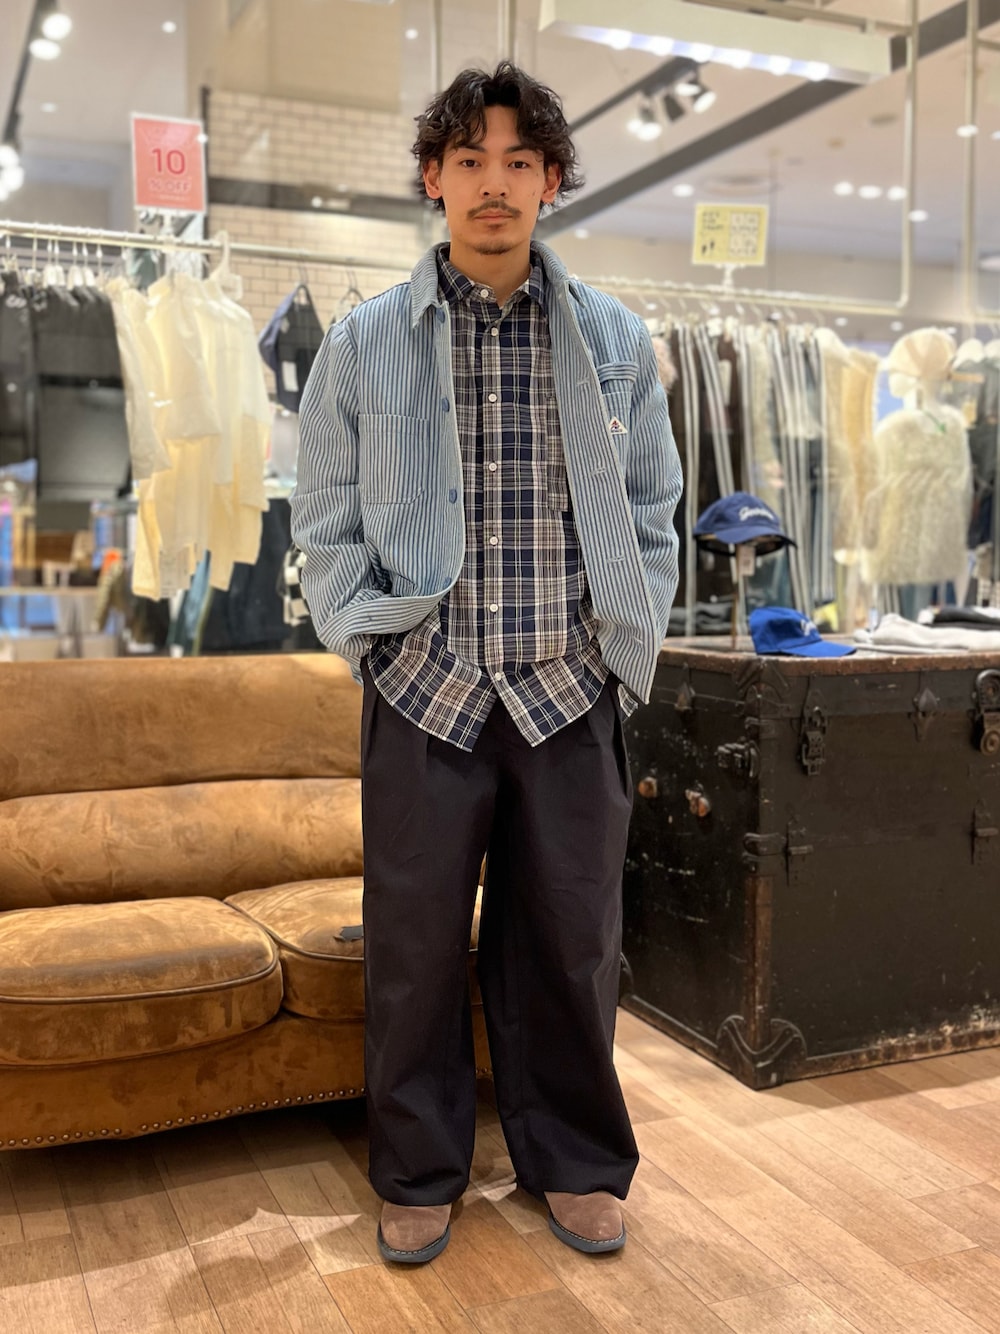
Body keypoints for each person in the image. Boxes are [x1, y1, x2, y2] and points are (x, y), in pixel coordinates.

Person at [291, 60, 683, 1265]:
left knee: (572, 940)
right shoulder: (364, 342)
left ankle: (576, 1160)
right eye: (469, 160)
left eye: (519, 160)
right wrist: (368, 641)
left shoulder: (614, 340)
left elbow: (653, 509)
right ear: (434, 177)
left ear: (551, 179)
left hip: (569, 686)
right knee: (412, 944)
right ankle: (418, 1171)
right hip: (427, 689)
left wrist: (620, 654)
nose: (493, 183)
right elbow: (323, 518)